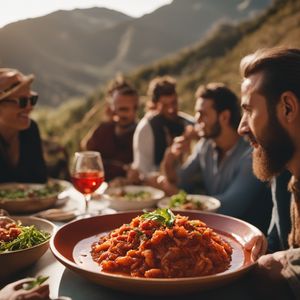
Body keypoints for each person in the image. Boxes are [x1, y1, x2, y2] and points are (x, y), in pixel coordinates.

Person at [162, 83, 272, 233]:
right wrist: (169, 162)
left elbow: (229, 207)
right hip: (214, 231)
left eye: (203, 114)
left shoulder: (251, 153)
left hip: (246, 239)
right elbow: (181, 182)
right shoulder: (205, 145)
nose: (197, 119)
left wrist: (177, 196)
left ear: (224, 117)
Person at [237, 47, 300, 298]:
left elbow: (274, 266)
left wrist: (285, 265)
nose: (242, 127)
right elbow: (274, 245)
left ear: (287, 107)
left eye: (249, 110)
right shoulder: (283, 171)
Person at [132, 75, 194, 176]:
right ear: (154, 105)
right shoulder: (145, 130)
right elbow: (143, 171)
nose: (171, 109)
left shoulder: (188, 123)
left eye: (174, 103)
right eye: (165, 106)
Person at [81, 79, 139, 182]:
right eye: (122, 109)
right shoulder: (106, 128)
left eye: (133, 109)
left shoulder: (140, 134)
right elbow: (87, 155)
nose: (129, 114)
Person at [0, 68, 47, 183]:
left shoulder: (31, 130)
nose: (30, 107)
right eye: (22, 101)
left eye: (32, 99)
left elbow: (40, 182)